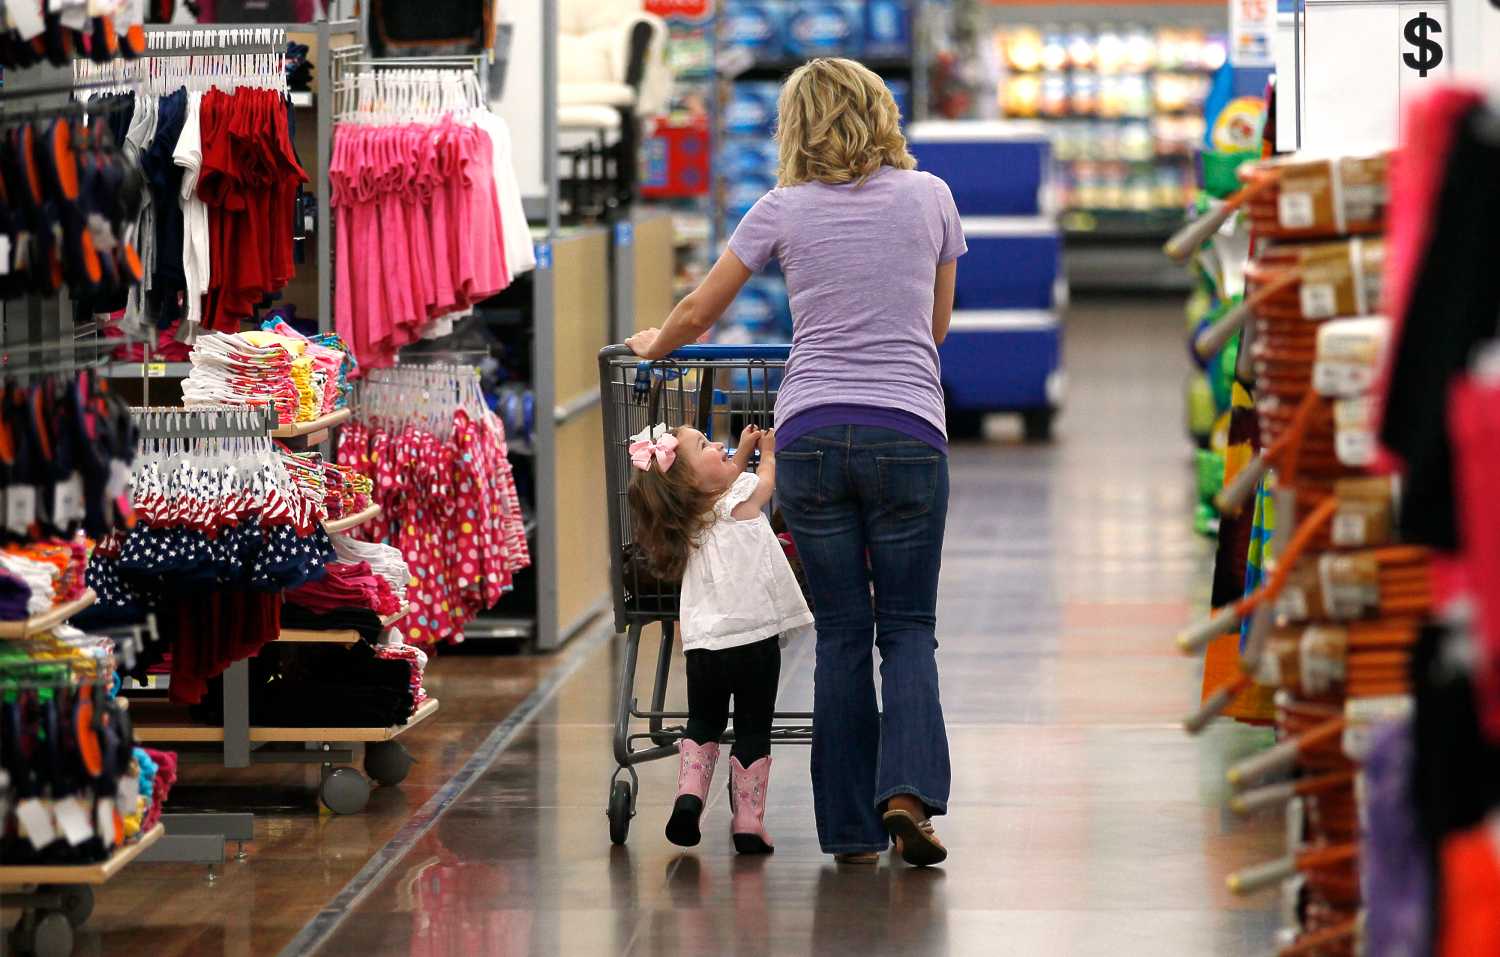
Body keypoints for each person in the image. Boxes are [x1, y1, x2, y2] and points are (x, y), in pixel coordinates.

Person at [626, 56, 963, 868]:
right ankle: (908, 794)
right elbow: (937, 326)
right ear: (882, 113)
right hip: (908, 431)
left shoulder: (781, 208)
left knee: (843, 630)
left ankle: (848, 831)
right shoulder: (933, 198)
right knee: (908, 628)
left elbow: (700, 308)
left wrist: (655, 347)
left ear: (795, 128)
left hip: (810, 435)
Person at [626, 421, 814, 854]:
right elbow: (765, 483)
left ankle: (689, 799)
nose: (718, 446)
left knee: (704, 721)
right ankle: (748, 821)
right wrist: (763, 453)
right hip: (756, 641)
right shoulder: (740, 497)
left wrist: (736, 453)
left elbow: (720, 477)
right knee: (753, 727)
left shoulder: (683, 520)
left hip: (704, 646)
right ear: (692, 479)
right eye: (704, 445)